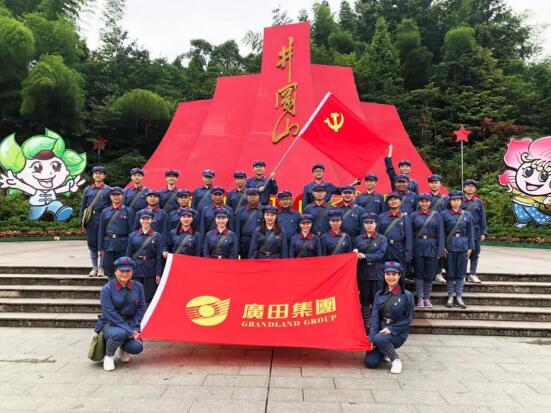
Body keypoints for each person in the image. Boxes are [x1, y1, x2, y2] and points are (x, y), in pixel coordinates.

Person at [95, 256, 145, 371]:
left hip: (130, 322)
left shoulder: (138, 287)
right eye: (121, 271)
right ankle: (109, 356)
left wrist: (135, 327)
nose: (125, 274)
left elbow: (141, 308)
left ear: (132, 272)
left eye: (128, 271)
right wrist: (129, 330)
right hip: (111, 323)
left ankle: (123, 348)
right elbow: (109, 313)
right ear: (115, 271)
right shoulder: (107, 289)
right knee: (120, 333)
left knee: (137, 346)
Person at [365, 261, 414, 374]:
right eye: (387, 274)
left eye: (394, 274)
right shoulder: (379, 294)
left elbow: (409, 319)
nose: (390, 277)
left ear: (399, 276)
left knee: (380, 338)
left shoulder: (406, 296)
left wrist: (391, 329)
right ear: (384, 275)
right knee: (370, 362)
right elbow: (375, 318)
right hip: (380, 332)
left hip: (398, 333)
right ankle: (384, 351)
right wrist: (371, 339)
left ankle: (396, 360)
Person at [353, 213, 388, 333]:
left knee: (377, 299)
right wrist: (355, 253)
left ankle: (375, 323)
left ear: (376, 224)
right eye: (366, 223)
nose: (369, 225)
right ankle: (366, 323)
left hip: (377, 273)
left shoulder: (382, 239)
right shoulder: (358, 239)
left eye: (371, 223)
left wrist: (366, 256)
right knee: (364, 300)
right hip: (363, 273)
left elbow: (381, 254)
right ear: (364, 224)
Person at [410, 194, 445, 308]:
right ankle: (420, 298)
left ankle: (427, 297)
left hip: (432, 247)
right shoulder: (414, 215)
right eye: (422, 201)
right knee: (418, 273)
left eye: (426, 201)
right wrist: (410, 250)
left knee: (429, 274)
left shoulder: (436, 215)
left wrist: (440, 250)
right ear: (419, 203)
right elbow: (410, 234)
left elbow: (440, 233)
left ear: (430, 203)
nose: (424, 203)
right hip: (418, 246)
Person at [442, 190, 475, 309]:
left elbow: (471, 232)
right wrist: (442, 246)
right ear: (450, 201)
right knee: (450, 273)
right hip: (449, 247)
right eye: (453, 200)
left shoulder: (467, 215)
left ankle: (459, 297)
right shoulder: (444, 214)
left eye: (458, 200)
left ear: (461, 201)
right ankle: (450, 296)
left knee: (461, 273)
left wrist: (471, 247)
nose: (456, 202)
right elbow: (441, 232)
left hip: (463, 246)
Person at [126, 210, 164, 305]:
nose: (145, 221)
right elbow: (128, 255)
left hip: (150, 268)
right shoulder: (132, 236)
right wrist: (127, 270)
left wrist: (158, 273)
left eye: (148, 219)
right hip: (136, 268)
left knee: (148, 296)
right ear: (140, 220)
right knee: (135, 295)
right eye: (143, 219)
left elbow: (158, 256)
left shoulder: (157, 236)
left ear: (152, 220)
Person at [80, 166, 111, 277]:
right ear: (93, 175)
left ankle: (101, 267)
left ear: (104, 175)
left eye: (100, 173)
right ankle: (94, 267)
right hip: (91, 220)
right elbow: (83, 206)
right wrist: (81, 222)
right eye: (96, 173)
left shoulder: (109, 190)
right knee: (92, 244)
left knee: (103, 244)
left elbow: (111, 206)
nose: (98, 175)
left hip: (104, 220)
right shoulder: (88, 189)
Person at [98, 187, 135, 278]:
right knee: (108, 267)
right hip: (108, 244)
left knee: (123, 267)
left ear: (122, 196)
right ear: (110, 197)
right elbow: (101, 230)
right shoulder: (105, 211)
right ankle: (111, 285)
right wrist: (100, 246)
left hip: (123, 244)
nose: (116, 197)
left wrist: (131, 246)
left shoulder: (128, 211)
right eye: (113, 195)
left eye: (118, 194)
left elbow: (132, 230)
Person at [378, 192, 413, 285]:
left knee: (400, 276)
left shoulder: (405, 218)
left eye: (396, 199)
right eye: (391, 199)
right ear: (388, 202)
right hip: (385, 249)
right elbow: (378, 236)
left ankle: (400, 293)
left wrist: (408, 254)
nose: (393, 201)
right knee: (384, 275)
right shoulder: (381, 217)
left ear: (400, 201)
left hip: (399, 250)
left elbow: (409, 238)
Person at [462, 179, 488, 283]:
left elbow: (482, 217)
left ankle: (472, 274)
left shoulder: (478, 202)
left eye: (472, 186)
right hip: (463, 230)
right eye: (468, 186)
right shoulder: (459, 200)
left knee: (475, 252)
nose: (470, 188)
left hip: (475, 230)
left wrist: (483, 232)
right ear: (464, 188)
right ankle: (462, 274)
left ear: (475, 189)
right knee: (463, 253)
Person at [235, 188, 263, 258]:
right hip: (245, 242)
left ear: (259, 196)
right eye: (250, 195)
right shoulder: (240, 211)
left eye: (255, 195)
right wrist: (237, 247)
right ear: (246, 197)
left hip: (260, 241)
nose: (252, 197)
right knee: (245, 263)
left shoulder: (264, 210)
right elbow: (237, 230)